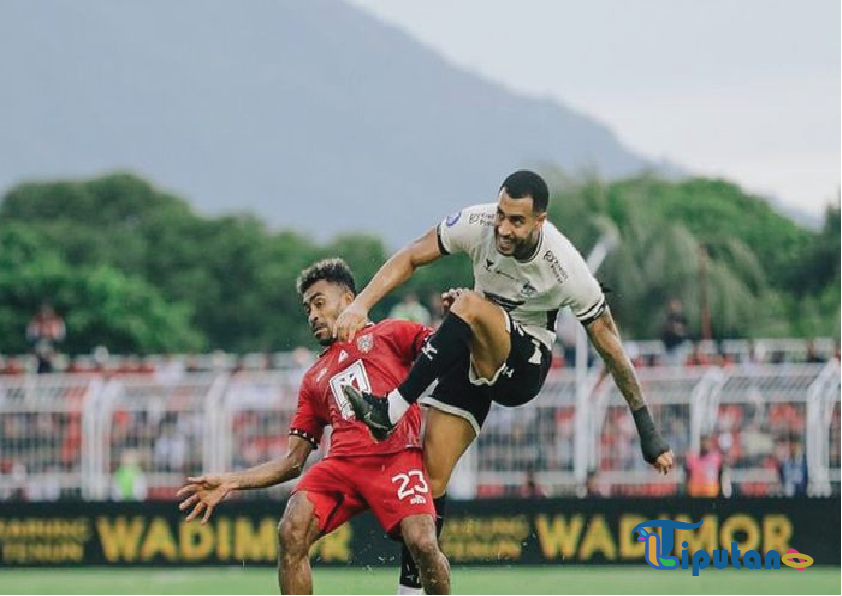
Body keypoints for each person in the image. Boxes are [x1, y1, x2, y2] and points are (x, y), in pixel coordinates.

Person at [335, 169, 674, 516]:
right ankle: (420, 571)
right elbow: (411, 255)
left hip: (523, 369)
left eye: (516, 221)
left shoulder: (567, 269)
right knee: (429, 479)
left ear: (539, 221)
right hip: (476, 350)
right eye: (501, 214)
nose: (503, 228)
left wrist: (647, 430)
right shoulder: (476, 222)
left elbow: (611, 348)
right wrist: (361, 304)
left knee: (467, 303)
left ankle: (391, 408)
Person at [177, 259, 449, 595]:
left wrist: (453, 320)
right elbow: (293, 462)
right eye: (307, 308)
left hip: (397, 456)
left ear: (349, 299)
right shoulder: (313, 379)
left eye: (319, 303)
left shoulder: (391, 332)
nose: (312, 315)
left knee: (423, 543)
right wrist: (232, 481)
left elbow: (443, 350)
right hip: (342, 467)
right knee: (291, 531)